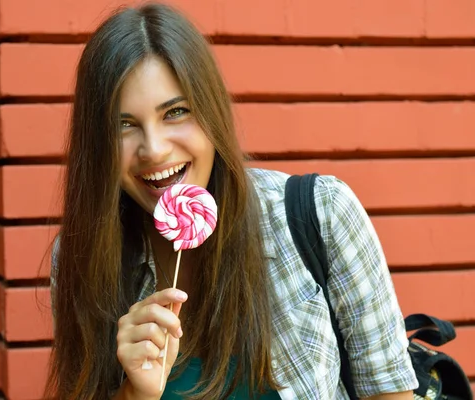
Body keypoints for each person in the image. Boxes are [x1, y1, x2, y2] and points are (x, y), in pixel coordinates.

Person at [45, 3, 418, 399]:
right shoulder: (79, 257)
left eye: (175, 112)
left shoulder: (321, 213)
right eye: (124, 124)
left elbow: (390, 393)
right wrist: (134, 394)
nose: (153, 150)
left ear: (212, 114)